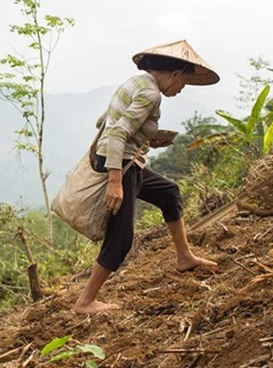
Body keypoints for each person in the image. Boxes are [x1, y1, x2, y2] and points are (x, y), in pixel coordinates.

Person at [74, 40, 219, 315]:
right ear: (175, 75)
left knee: (169, 193)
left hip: (126, 160)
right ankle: (86, 301)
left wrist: (146, 137)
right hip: (122, 165)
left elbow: (103, 121)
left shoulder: (136, 82)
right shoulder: (151, 94)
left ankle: (184, 257)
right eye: (183, 84)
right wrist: (115, 182)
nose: (180, 90)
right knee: (122, 237)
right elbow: (116, 133)